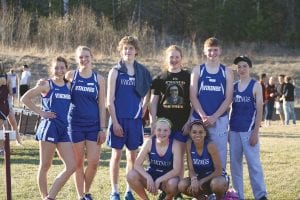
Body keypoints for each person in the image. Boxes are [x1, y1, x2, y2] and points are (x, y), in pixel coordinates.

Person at [21, 56, 76, 200]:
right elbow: (25, 98)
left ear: (66, 69)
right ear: (52, 69)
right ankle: (44, 196)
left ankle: (50, 197)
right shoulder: (47, 84)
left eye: (62, 67)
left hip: (63, 129)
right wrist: (42, 112)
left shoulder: (69, 86)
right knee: (45, 165)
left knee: (71, 165)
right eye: (56, 67)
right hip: (49, 128)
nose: (59, 70)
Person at [106, 35, 152, 200]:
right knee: (116, 156)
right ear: (121, 50)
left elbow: (148, 92)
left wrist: (144, 107)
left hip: (134, 121)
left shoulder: (142, 71)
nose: (128, 51)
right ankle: (115, 191)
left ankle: (129, 191)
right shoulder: (115, 71)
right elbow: (109, 100)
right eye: (125, 48)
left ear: (136, 51)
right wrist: (115, 122)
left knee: (132, 157)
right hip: (118, 120)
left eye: (131, 48)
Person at [150, 45, 191, 199]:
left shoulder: (188, 77)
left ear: (181, 59)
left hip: (181, 125)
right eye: (171, 57)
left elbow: (193, 102)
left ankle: (177, 190)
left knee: (179, 159)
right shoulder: (159, 78)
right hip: (163, 127)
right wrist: (153, 121)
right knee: (166, 159)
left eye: (177, 57)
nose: (174, 60)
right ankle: (166, 188)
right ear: (166, 59)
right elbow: (153, 102)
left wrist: (189, 121)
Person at [65, 46, 106, 200]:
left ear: (91, 57)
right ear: (77, 59)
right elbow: (57, 87)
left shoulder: (99, 79)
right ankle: (81, 195)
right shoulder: (70, 75)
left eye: (86, 56)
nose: (84, 59)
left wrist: (102, 128)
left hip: (93, 126)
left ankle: (86, 191)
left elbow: (102, 105)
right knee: (78, 163)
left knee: (94, 162)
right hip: (74, 124)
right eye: (81, 57)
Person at [190, 37, 234, 169]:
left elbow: (228, 98)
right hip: (199, 119)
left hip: (219, 120)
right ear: (204, 51)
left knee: (220, 154)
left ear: (220, 51)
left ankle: (220, 185)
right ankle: (200, 186)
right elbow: (193, 96)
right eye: (210, 50)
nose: (212, 53)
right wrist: (203, 116)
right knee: (198, 154)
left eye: (215, 50)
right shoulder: (198, 70)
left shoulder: (227, 71)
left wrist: (214, 117)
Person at [229, 56, 268, 200]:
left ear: (249, 67)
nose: (241, 69)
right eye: (239, 67)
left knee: (254, 165)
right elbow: (230, 109)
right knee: (235, 166)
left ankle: (261, 195)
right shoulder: (233, 86)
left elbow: (259, 111)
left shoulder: (255, 85)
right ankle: (237, 195)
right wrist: (228, 130)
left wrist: (255, 133)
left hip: (249, 131)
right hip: (234, 131)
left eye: (244, 66)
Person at [127, 118, 182, 200]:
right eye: (159, 130)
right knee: (131, 175)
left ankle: (167, 198)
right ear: (155, 130)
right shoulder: (149, 142)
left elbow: (176, 170)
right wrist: (148, 177)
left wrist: (159, 180)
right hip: (151, 176)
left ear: (170, 132)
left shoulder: (175, 144)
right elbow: (137, 164)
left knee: (174, 183)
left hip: (166, 179)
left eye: (165, 130)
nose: (162, 133)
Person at [178, 120, 229, 200]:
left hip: (216, 178)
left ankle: (219, 198)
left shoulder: (210, 145)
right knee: (182, 185)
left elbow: (218, 171)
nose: (197, 134)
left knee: (217, 184)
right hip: (200, 177)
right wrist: (194, 179)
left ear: (205, 133)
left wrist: (201, 181)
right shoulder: (189, 144)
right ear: (190, 134)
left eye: (200, 132)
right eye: (194, 132)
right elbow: (191, 169)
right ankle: (202, 198)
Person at [7, 68, 22, 144]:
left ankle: (18, 141)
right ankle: (3, 146)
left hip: (7, 103)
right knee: (7, 124)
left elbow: (11, 92)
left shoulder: (8, 77)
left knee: (13, 123)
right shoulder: (8, 76)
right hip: (6, 103)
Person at [0, 60, 10, 155]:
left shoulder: (3, 77)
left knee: (3, 127)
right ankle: (3, 148)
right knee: (5, 126)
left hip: (2, 105)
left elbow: (10, 91)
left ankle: (2, 148)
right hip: (3, 105)